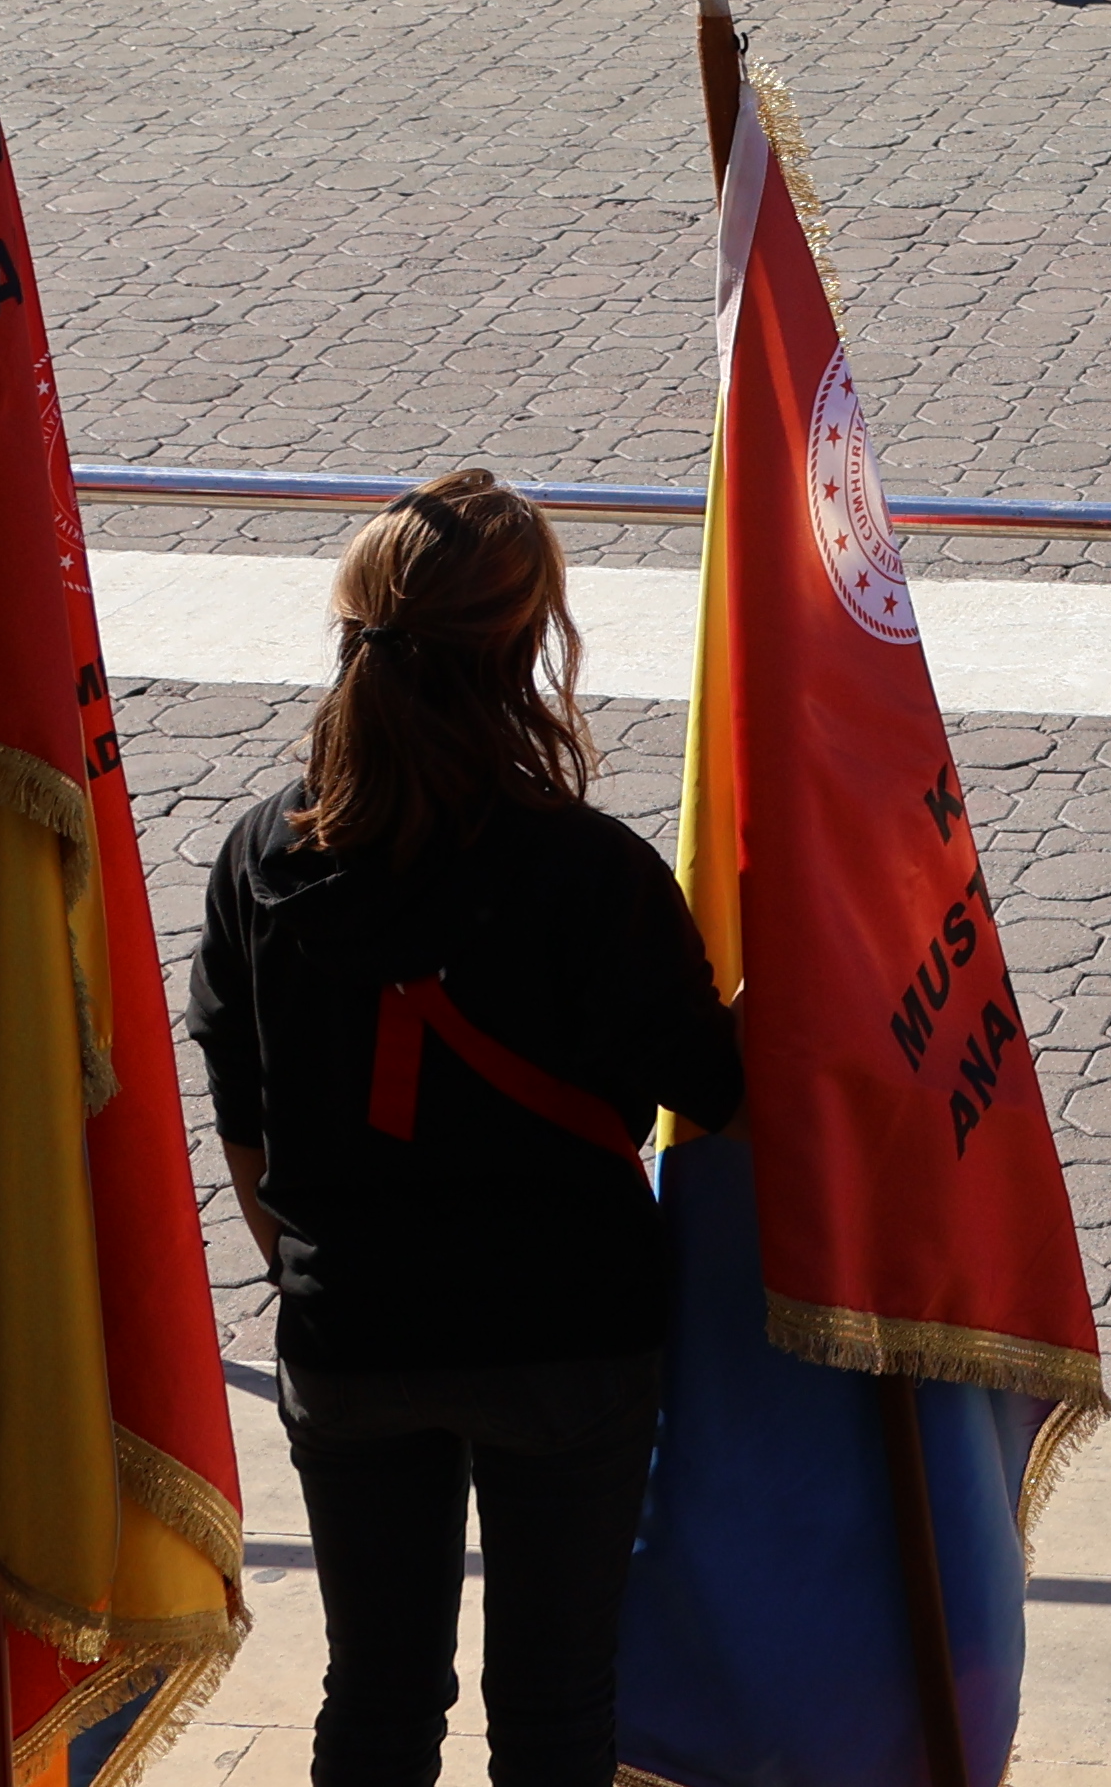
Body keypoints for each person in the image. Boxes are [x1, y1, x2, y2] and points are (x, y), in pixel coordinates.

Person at [195, 472, 742, 1787]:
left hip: (353, 1335)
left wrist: (322, 1268)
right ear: (530, 645)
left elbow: (245, 1126)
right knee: (557, 1705)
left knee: (376, 1698)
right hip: (569, 1335)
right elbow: (715, 1090)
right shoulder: (594, 875)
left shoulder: (260, 858)